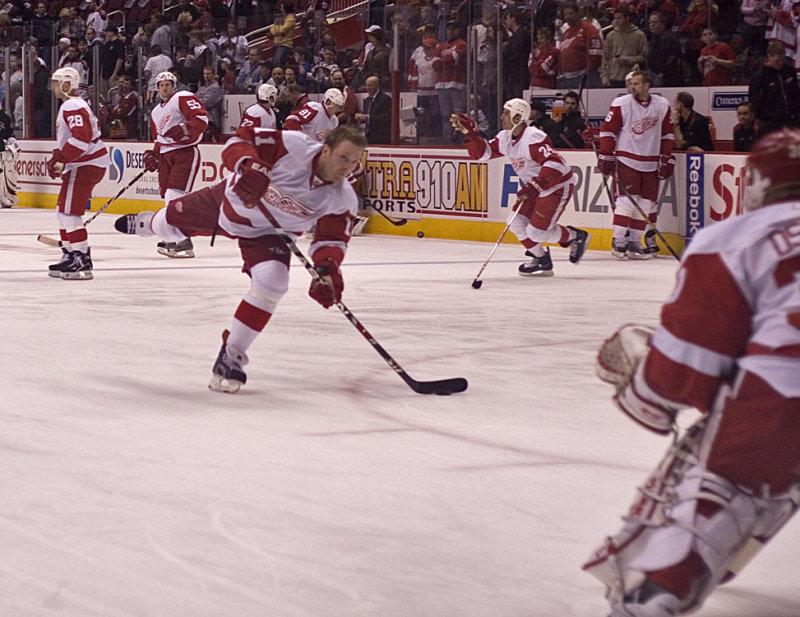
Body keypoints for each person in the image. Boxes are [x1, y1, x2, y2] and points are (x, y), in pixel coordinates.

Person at [585, 128, 800, 617]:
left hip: (783, 403)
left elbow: (682, 376)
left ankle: (657, 589)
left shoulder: (732, 238)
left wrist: (643, 376)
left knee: (721, 469)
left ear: (757, 185)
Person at [114, 125, 368, 393]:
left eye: (354, 161)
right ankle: (147, 223)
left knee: (274, 282)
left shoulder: (343, 198)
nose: (348, 167)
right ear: (325, 150)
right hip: (227, 204)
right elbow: (241, 139)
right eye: (343, 158)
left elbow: (332, 240)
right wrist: (247, 164)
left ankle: (231, 354)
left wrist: (326, 269)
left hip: (269, 235)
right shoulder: (294, 146)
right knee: (169, 225)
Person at [450, 98, 591, 277]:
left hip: (555, 185)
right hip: (536, 187)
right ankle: (541, 259)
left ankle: (575, 236)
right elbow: (482, 154)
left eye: (507, 113)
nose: (502, 116)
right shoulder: (506, 138)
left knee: (537, 233)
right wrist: (470, 135)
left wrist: (535, 184)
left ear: (518, 117)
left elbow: (554, 164)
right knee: (515, 222)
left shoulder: (533, 137)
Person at [598, 70, 674, 259]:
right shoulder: (621, 104)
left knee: (645, 203)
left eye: (636, 84)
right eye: (630, 84)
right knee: (625, 201)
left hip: (650, 161)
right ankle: (618, 240)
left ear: (647, 85)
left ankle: (634, 241)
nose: (632, 87)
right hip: (626, 159)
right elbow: (607, 131)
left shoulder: (662, 105)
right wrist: (607, 154)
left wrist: (666, 156)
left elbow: (667, 134)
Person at [45, 67, 110, 280]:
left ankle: (81, 258)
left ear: (66, 84)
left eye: (56, 83)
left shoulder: (72, 104)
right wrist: (61, 158)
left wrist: (62, 158)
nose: (53, 87)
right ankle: (70, 253)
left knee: (69, 213)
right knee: (62, 211)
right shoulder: (72, 104)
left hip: (85, 164)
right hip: (83, 163)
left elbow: (82, 138)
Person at [143, 70, 209, 258]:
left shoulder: (182, 97)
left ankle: (184, 240)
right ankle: (174, 236)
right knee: (167, 197)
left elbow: (201, 118)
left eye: (168, 84)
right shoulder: (156, 111)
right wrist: (154, 154)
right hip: (166, 156)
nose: (165, 88)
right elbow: (160, 138)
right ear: (157, 88)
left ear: (174, 86)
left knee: (175, 195)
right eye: (161, 85)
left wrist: (184, 128)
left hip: (184, 152)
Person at [748, 41, 800, 137]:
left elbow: (796, 94)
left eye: (782, 59)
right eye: (777, 60)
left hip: (791, 121)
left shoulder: (789, 71)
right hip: (769, 123)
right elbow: (753, 100)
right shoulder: (760, 76)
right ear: (769, 57)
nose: (780, 63)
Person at [557, 1, 604, 90]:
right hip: (567, 78)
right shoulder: (567, 32)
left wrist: (588, 71)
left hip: (584, 78)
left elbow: (597, 53)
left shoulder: (589, 29)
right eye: (566, 14)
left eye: (571, 13)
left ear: (578, 13)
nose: (568, 17)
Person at [600, 6, 648, 88]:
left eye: (619, 18)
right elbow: (605, 58)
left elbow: (644, 55)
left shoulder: (639, 35)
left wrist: (631, 59)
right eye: (615, 18)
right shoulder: (611, 35)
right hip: (613, 77)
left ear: (627, 18)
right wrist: (604, 77)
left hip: (632, 79)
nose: (616, 21)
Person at [645, 11, 683, 87]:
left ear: (662, 24)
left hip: (668, 78)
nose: (652, 25)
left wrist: (662, 73)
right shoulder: (653, 38)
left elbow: (673, 58)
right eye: (650, 23)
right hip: (654, 74)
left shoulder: (670, 38)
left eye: (655, 22)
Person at [355, 75, 391, 145]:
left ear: (377, 86)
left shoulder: (385, 99)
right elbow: (367, 116)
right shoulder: (367, 100)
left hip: (381, 138)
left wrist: (368, 117)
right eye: (366, 85)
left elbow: (387, 118)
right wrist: (360, 117)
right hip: (369, 138)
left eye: (370, 85)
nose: (368, 88)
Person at [196, 65, 223, 141]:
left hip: (211, 122)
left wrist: (199, 100)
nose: (206, 76)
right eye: (204, 74)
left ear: (214, 75)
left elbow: (205, 104)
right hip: (201, 121)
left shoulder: (216, 88)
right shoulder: (201, 88)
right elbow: (194, 101)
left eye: (208, 74)